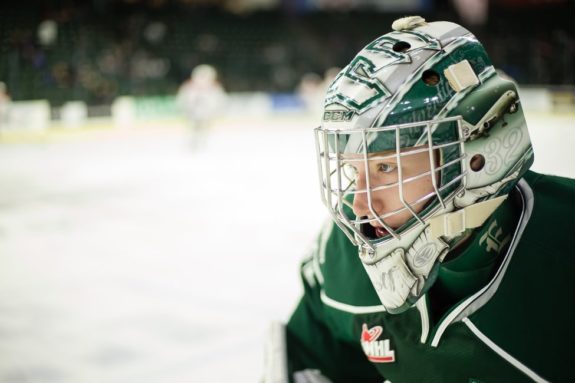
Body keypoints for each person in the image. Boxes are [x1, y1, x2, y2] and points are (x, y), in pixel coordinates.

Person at [263, 16, 575, 383]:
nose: (359, 206)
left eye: (386, 168)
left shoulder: (562, 253)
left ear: (475, 153)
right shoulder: (346, 253)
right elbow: (312, 353)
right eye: (352, 171)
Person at [176, 64, 226, 149]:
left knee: (204, 128)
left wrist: (215, 110)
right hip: (194, 113)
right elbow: (182, 100)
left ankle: (200, 142)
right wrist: (186, 109)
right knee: (195, 128)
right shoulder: (189, 87)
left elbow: (220, 101)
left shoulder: (214, 87)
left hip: (205, 113)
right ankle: (194, 143)